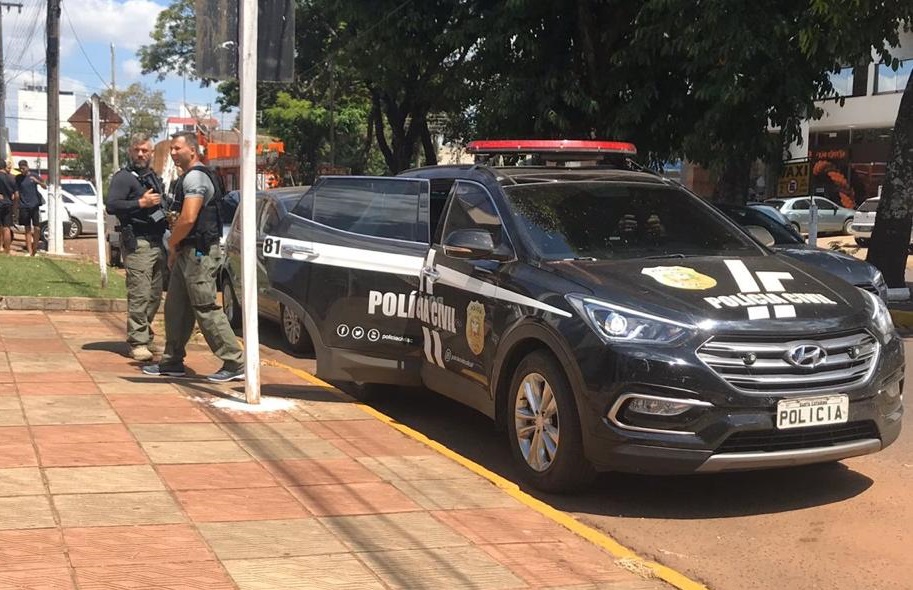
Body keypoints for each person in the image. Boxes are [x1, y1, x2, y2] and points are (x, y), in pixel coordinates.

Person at [142, 131, 244, 382]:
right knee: (176, 307)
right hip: (186, 251)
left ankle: (235, 362)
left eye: (177, 148)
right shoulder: (186, 178)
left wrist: (173, 244)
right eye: (172, 149)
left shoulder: (196, 178)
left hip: (199, 252)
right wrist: (175, 249)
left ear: (193, 151)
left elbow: (188, 218)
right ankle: (172, 361)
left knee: (205, 307)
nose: (173, 153)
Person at [106, 134, 168, 361]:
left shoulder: (151, 177)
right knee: (140, 294)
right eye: (136, 150)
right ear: (130, 151)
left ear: (152, 153)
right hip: (137, 242)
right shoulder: (123, 177)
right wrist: (140, 203)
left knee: (154, 295)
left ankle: (146, 335)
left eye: (145, 150)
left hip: (157, 241)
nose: (140, 154)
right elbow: (111, 205)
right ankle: (137, 341)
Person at [15, 160, 46, 256]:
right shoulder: (18, 178)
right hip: (24, 206)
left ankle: (35, 249)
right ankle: (30, 251)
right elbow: (17, 192)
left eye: (23, 168)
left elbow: (45, 186)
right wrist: (16, 206)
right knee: (27, 228)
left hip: (34, 205)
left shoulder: (34, 175)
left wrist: (37, 181)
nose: (22, 170)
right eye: (20, 168)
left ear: (27, 167)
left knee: (36, 228)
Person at [0, 161, 17, 254]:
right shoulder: (12, 178)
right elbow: (17, 195)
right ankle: (7, 250)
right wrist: (14, 205)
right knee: (7, 228)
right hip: (8, 204)